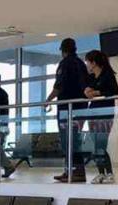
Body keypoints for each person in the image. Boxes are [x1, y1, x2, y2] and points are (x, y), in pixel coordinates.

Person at [46, 38, 89, 183]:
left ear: (63, 50)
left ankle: (74, 172)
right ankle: (72, 171)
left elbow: (59, 86)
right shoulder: (81, 64)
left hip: (67, 109)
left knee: (68, 140)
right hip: (81, 107)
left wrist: (48, 100)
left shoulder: (65, 64)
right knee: (74, 140)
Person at [84, 49, 118, 184]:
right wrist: (87, 90)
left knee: (101, 144)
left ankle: (109, 173)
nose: (87, 65)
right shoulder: (92, 77)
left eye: (88, 62)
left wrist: (96, 92)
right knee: (96, 145)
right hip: (93, 112)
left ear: (93, 63)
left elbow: (113, 91)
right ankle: (101, 173)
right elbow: (87, 89)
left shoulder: (108, 75)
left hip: (105, 113)